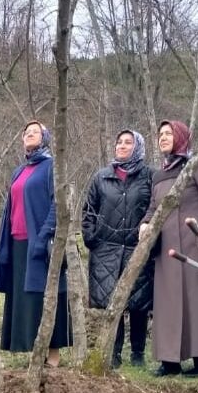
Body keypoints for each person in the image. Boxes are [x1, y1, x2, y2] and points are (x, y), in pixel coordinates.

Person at [141, 120, 198, 377]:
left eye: (169, 133)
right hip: (168, 251)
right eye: (160, 134)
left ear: (181, 137)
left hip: (196, 245)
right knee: (169, 304)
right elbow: (152, 208)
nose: (163, 138)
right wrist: (145, 224)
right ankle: (170, 361)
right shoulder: (159, 174)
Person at [0, 120, 72, 365]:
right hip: (18, 244)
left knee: (46, 295)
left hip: (40, 244)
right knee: (26, 299)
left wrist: (45, 235)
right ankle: (34, 351)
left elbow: (58, 204)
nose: (29, 134)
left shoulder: (51, 167)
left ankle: (53, 356)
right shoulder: (19, 170)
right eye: (26, 132)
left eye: (35, 131)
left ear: (45, 137)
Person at [82, 130, 154, 368]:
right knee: (114, 304)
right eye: (119, 142)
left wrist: (148, 239)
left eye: (128, 143)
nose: (122, 146)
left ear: (138, 147)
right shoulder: (101, 177)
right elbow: (89, 210)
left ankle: (138, 354)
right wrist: (91, 238)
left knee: (138, 303)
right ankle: (114, 354)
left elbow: (155, 208)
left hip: (137, 248)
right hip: (106, 250)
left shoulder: (149, 176)